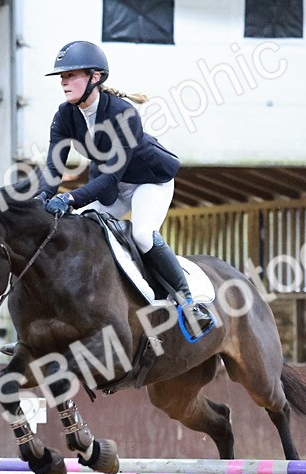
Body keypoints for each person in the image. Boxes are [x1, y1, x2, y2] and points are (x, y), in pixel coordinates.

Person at [37, 40, 213, 334]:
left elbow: (111, 177)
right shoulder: (65, 115)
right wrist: (40, 199)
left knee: (142, 235)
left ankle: (188, 304)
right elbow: (54, 167)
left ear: (95, 77)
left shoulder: (123, 113)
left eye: (71, 75)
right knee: (75, 231)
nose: (64, 82)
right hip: (110, 189)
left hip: (148, 182)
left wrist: (68, 200)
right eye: (62, 77)